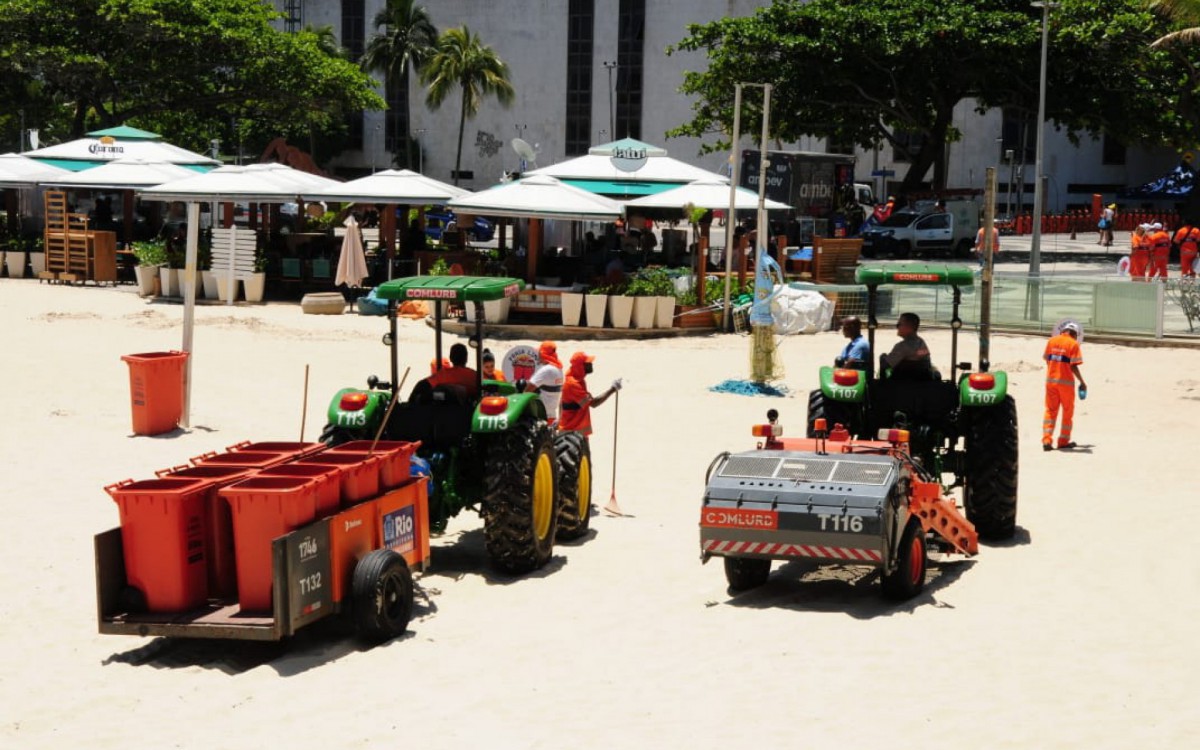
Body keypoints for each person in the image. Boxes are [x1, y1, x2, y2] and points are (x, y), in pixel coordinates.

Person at [1042, 322, 1086, 451]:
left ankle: (1046, 440)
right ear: (1074, 334)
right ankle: (1063, 441)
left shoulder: (1051, 341)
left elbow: (1047, 360)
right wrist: (1082, 382)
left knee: (1050, 411)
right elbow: (1073, 365)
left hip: (1050, 382)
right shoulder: (1073, 344)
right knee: (1067, 412)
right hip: (1066, 384)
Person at [558, 351, 621, 436]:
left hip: (578, 431)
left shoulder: (578, 379)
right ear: (580, 366)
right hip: (571, 433)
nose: (591, 364)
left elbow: (562, 402)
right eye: (588, 363)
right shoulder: (573, 384)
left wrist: (559, 419)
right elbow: (594, 403)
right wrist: (612, 389)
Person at [882, 312, 932, 379]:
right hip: (922, 383)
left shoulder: (902, 347)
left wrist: (883, 357)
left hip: (901, 384)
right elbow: (923, 358)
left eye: (899, 324)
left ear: (908, 327)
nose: (897, 327)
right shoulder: (921, 343)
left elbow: (886, 365)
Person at [525, 340, 564, 424]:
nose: (538, 355)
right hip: (552, 414)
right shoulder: (559, 369)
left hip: (541, 415)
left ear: (543, 354)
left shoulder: (546, 370)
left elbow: (527, 390)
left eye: (539, 353)